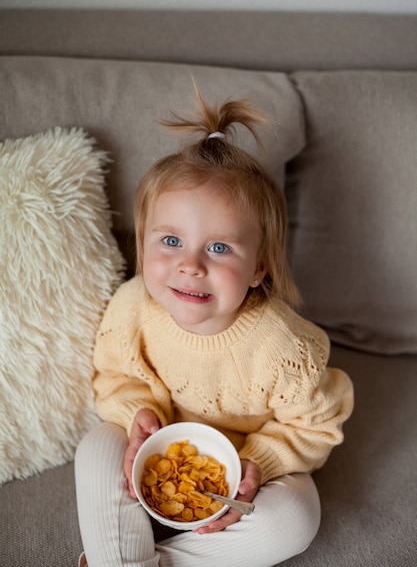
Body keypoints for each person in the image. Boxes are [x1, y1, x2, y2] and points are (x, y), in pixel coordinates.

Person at [75, 87, 354, 567]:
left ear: (260, 268)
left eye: (219, 248)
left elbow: (317, 425)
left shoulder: (285, 347)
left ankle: (139, 558)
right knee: (96, 446)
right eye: (170, 241)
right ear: (142, 246)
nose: (190, 265)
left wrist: (259, 464)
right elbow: (114, 377)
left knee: (296, 519)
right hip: (157, 446)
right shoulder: (132, 308)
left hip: (248, 465)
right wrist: (138, 412)